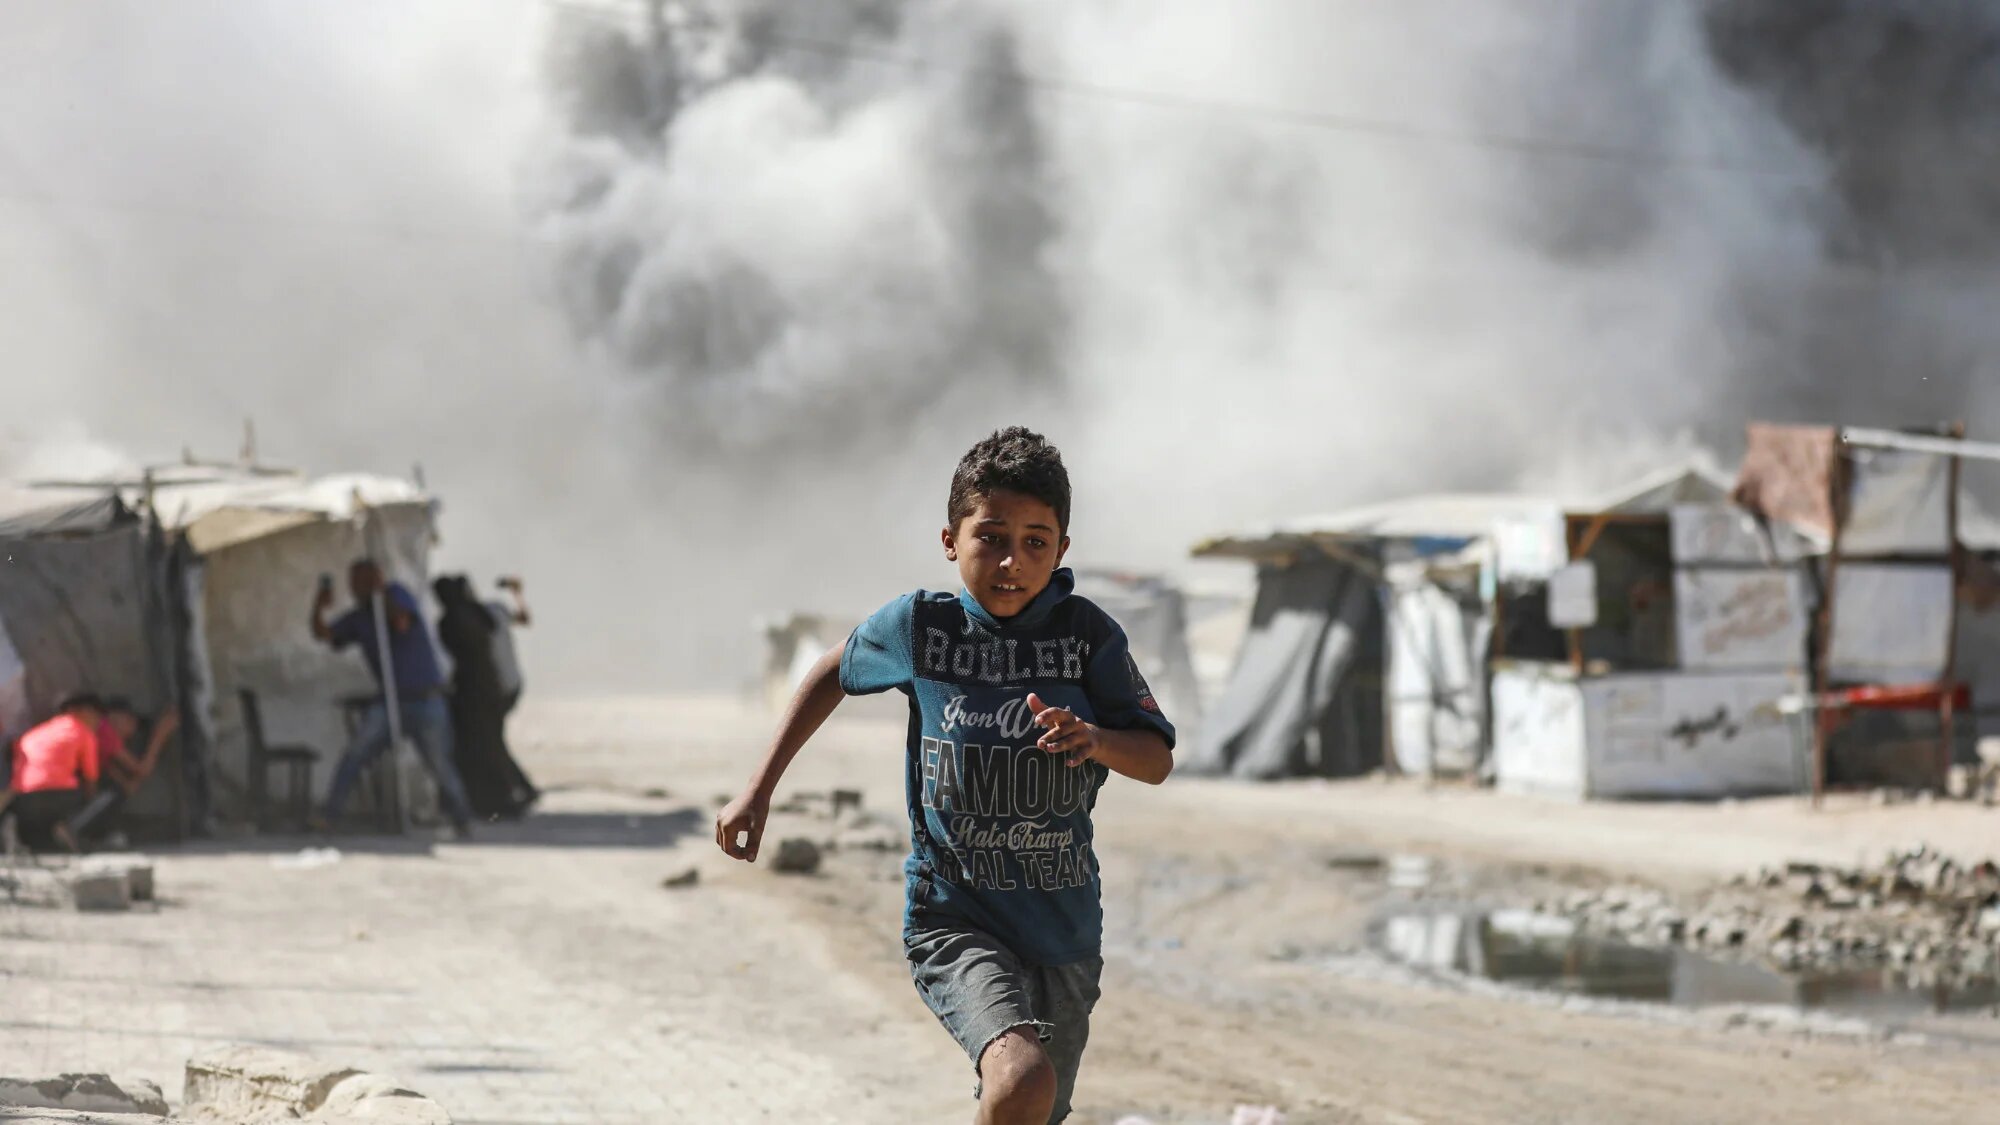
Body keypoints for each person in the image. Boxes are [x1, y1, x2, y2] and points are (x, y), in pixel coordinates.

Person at [715, 427, 1175, 1125]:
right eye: (991, 536)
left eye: (1035, 541)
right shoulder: (921, 629)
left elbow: (1156, 757)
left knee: (1031, 1102)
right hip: (954, 918)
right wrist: (759, 788)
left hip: (1064, 930)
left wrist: (1096, 739)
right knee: (1020, 1077)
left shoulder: (1088, 637)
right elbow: (831, 671)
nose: (1012, 560)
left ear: (1061, 550)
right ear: (950, 540)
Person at [310, 558, 475, 838]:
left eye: (361, 581)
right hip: (390, 701)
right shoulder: (359, 618)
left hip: (425, 700)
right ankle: (330, 815)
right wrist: (319, 605)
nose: (356, 588)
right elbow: (324, 634)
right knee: (356, 754)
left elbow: (401, 622)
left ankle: (462, 819)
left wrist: (380, 594)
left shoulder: (396, 595)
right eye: (354, 583)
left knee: (439, 763)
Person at [433, 574, 536, 820]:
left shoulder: (458, 620)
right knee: (492, 742)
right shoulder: (488, 612)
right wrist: (517, 594)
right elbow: (523, 618)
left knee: (488, 744)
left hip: (487, 691)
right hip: (500, 687)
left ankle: (511, 793)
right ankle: (516, 790)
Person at [7, 693, 108, 852]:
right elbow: (90, 777)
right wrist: (90, 801)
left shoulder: (35, 733)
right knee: (101, 800)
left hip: (22, 798)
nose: (98, 722)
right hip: (59, 796)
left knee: (39, 838)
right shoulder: (82, 732)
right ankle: (67, 829)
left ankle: (30, 835)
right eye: (97, 715)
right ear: (82, 711)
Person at [487, 575, 530, 715]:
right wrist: (517, 593)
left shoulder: (496, 610)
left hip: (502, 685)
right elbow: (524, 619)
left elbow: (524, 619)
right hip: (510, 683)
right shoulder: (498, 610)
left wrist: (517, 593)